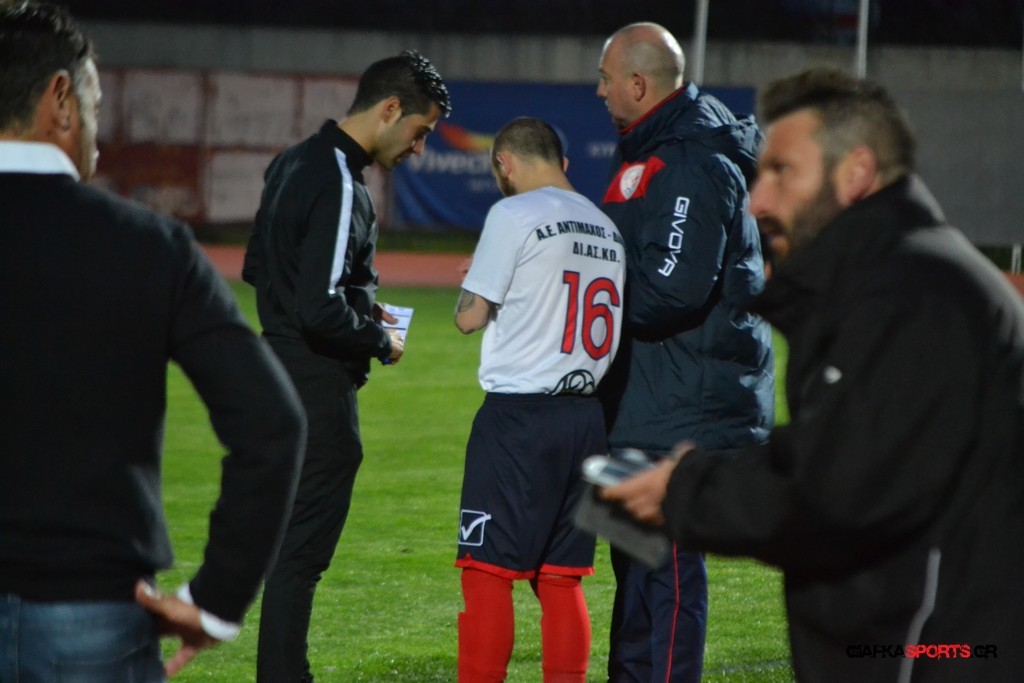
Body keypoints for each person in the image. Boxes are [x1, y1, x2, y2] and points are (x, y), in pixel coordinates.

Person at [602, 67, 1024, 682]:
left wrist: (684, 489)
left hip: (936, 652)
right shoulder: (884, 281)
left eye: (782, 172)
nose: (758, 199)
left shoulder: (913, 295)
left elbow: (839, 488)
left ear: (854, 173)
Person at [0, 2, 306, 680]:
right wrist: (215, 599)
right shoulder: (147, 245)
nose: (98, 131)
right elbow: (272, 424)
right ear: (60, 101)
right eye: (96, 104)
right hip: (92, 612)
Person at [242, 50, 451, 682]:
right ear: (390, 109)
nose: (418, 149)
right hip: (316, 388)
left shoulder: (290, 162)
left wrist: (357, 305)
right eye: (420, 131)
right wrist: (378, 338)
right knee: (301, 555)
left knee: (288, 550)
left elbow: (259, 269)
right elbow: (318, 307)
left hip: (276, 379)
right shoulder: (337, 178)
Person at [594, 21, 775, 683]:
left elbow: (668, 290)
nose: (600, 91)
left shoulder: (691, 161)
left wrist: (589, 303)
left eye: (607, 80)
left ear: (639, 84)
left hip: (680, 406)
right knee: (634, 564)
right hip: (645, 399)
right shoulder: (653, 150)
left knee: (666, 569)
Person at [453, 117, 625, 683]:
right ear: (563, 164)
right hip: (586, 420)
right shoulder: (606, 225)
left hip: (519, 422)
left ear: (503, 163)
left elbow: (469, 318)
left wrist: (476, 283)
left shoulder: (513, 214)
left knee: (486, 571)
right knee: (560, 577)